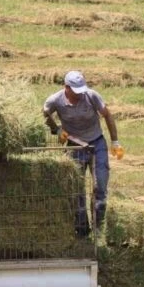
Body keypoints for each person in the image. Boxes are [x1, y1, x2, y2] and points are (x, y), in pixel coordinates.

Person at [43, 70, 121, 236]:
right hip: (74, 147)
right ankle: (82, 230)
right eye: (75, 91)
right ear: (67, 88)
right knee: (76, 189)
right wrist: (56, 129)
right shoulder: (55, 100)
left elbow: (107, 115)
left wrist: (115, 141)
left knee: (100, 186)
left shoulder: (91, 96)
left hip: (96, 144)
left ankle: (99, 228)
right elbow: (45, 113)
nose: (79, 94)